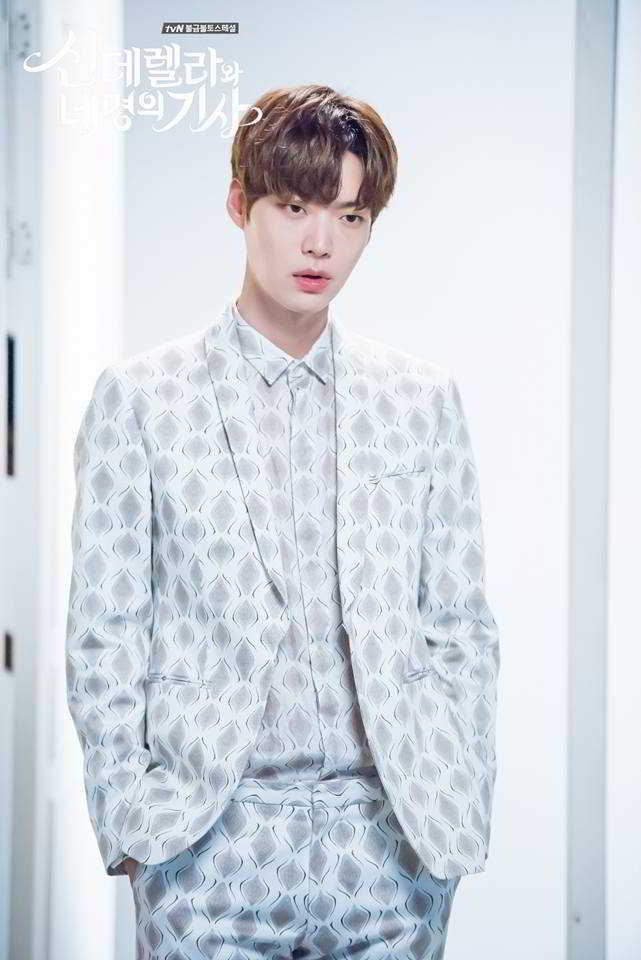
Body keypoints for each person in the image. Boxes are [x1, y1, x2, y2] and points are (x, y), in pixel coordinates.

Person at [65, 83, 500, 960]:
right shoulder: (142, 399)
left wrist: (459, 792)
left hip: (388, 842)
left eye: (349, 216)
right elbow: (105, 627)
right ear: (241, 205)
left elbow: (458, 622)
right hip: (207, 839)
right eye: (294, 207)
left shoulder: (419, 400)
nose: (319, 242)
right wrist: (129, 821)